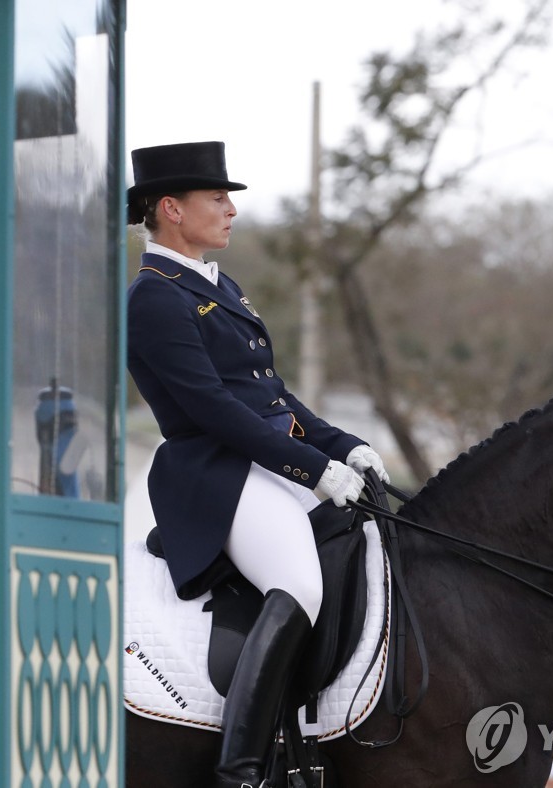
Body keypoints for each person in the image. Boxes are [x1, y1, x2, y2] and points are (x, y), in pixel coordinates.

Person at [126, 141, 389, 788]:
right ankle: (242, 770)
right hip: (215, 475)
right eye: (216, 197)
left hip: (264, 463)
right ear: (171, 209)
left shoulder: (218, 287)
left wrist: (341, 445)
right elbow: (215, 410)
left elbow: (273, 396)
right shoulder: (155, 297)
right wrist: (311, 468)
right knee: (299, 583)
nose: (231, 209)